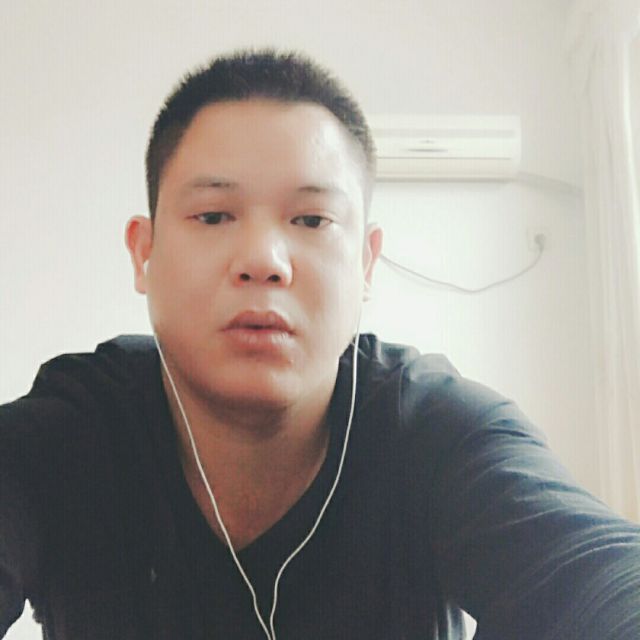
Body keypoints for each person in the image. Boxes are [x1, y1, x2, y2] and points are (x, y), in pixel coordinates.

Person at [1, 49, 639, 640]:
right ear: (144, 253)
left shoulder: (435, 430)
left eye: (311, 220)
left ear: (365, 263)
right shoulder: (68, 435)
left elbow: (602, 578)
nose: (263, 259)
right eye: (214, 215)